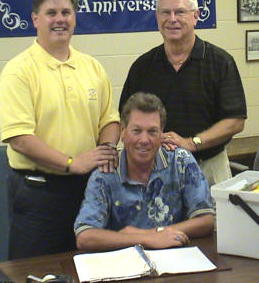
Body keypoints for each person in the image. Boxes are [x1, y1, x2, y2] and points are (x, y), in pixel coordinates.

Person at [0, 0, 120, 259]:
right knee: (35, 272)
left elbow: (110, 120)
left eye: (66, 12)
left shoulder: (92, 67)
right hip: (38, 192)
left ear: (75, 17)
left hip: (89, 188)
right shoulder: (18, 71)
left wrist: (108, 149)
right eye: (51, 13)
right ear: (35, 19)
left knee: (91, 267)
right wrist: (72, 164)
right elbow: (20, 139)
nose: (60, 19)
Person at [119, 0, 247, 186]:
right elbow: (125, 119)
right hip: (154, 169)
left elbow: (235, 120)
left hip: (209, 169)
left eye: (179, 12)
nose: (172, 19)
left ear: (195, 16)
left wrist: (191, 143)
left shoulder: (221, 62)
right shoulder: (142, 66)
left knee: (212, 218)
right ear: (157, 17)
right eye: (165, 12)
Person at [74, 92, 214, 251]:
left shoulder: (180, 160)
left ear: (162, 133)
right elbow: (85, 237)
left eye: (152, 132)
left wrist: (155, 233)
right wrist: (147, 238)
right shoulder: (105, 173)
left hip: (175, 261)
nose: (144, 140)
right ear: (123, 132)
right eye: (136, 131)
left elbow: (206, 220)